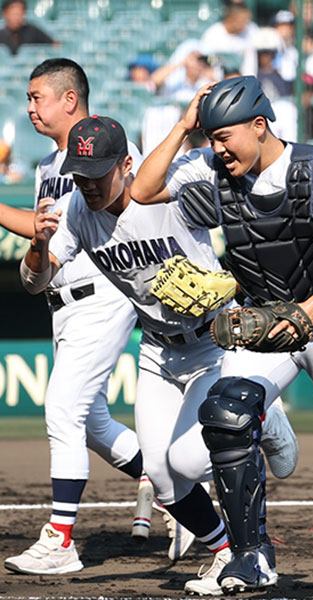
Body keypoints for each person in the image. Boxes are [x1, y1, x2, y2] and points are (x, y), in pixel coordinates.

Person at [130, 76, 313, 599]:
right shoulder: (211, 168)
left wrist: (309, 311)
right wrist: (184, 125)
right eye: (211, 138)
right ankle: (251, 556)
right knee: (225, 417)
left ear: (259, 125)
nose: (218, 150)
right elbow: (142, 190)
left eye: (225, 137)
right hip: (262, 320)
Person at [18, 113, 298, 594]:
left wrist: (187, 127)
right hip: (158, 350)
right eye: (80, 175)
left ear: (127, 165)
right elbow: (33, 281)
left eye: (98, 173)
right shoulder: (76, 211)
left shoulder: (170, 193)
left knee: (189, 461)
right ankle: (224, 551)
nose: (88, 185)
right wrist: (39, 246)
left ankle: (258, 415)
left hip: (214, 342)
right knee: (163, 479)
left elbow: (242, 176)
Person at [2, 59, 146, 576]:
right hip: (62, 299)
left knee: (63, 410)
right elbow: (45, 229)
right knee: (92, 421)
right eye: (28, 97)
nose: (30, 107)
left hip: (102, 292)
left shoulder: (109, 150)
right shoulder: (48, 165)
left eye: (37, 96)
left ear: (69, 99)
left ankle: (60, 539)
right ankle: (175, 486)